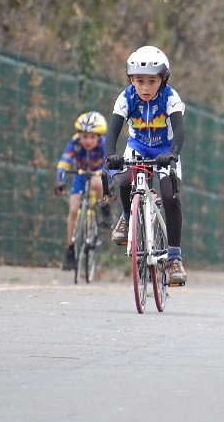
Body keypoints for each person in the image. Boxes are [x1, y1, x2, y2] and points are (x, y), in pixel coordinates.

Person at [103, 45, 187, 286]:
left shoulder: (170, 97)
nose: (146, 88)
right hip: (138, 148)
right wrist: (110, 156)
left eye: (152, 81)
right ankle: (126, 216)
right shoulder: (126, 98)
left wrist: (172, 154)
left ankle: (174, 259)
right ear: (131, 80)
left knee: (170, 196)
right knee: (125, 181)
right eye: (140, 81)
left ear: (163, 80)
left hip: (165, 150)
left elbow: (179, 130)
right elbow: (113, 131)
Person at [54, 111, 113, 271]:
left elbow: (112, 164)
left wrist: (110, 181)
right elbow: (64, 162)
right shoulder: (74, 143)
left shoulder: (104, 144)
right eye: (84, 136)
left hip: (99, 173)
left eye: (92, 137)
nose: (87, 141)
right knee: (73, 209)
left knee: (96, 182)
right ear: (78, 134)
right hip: (80, 175)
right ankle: (70, 248)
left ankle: (105, 207)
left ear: (99, 137)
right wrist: (60, 180)